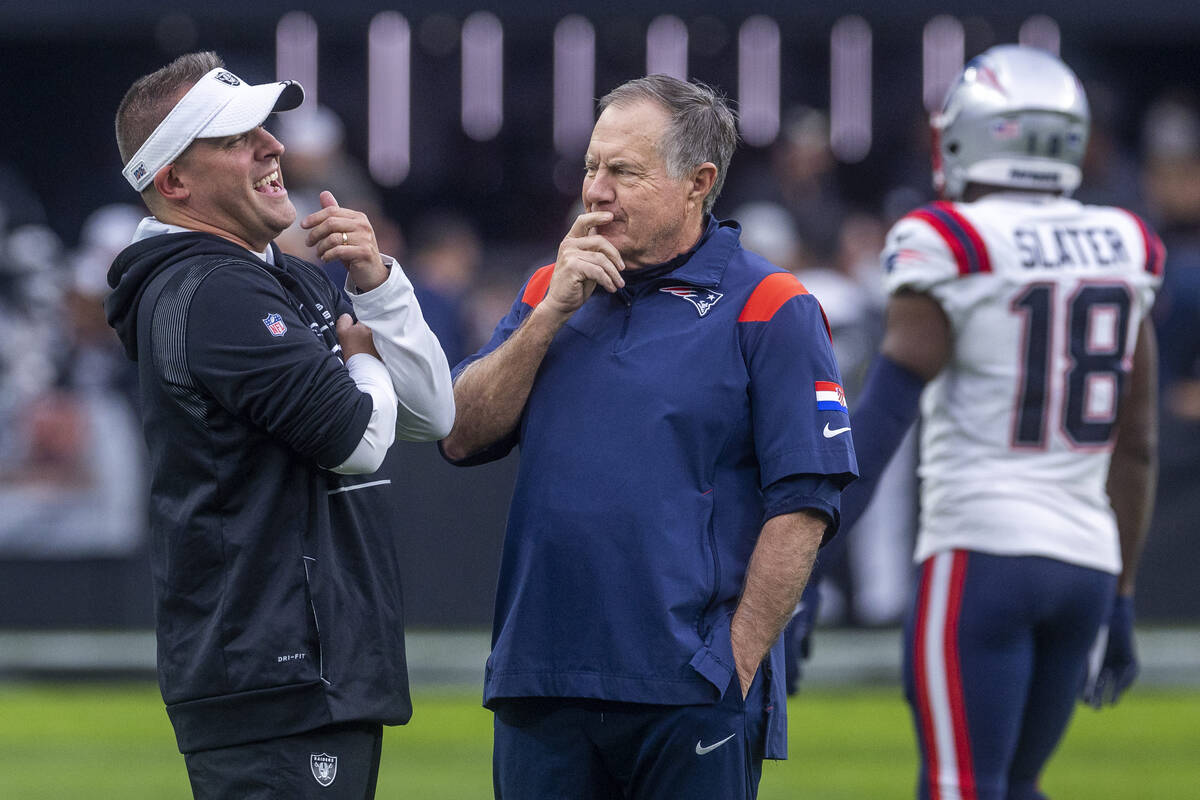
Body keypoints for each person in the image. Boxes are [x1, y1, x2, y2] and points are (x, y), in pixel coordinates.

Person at [440, 74, 857, 799]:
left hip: (689, 689)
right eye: (591, 168)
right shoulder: (549, 288)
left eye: (623, 172)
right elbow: (461, 434)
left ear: (699, 182)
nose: (595, 191)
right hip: (543, 678)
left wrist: (735, 660)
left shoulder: (771, 304)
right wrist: (548, 317)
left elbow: (805, 505)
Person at [104, 52, 455, 798]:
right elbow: (358, 440)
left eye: (265, 128)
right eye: (236, 137)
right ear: (173, 182)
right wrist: (360, 358)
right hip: (272, 669)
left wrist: (381, 284)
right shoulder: (214, 291)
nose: (273, 147)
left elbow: (432, 413)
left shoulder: (274, 275)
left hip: (303, 665)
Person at [832, 45, 1162, 799]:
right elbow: (1136, 444)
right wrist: (1122, 594)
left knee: (961, 787)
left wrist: (802, 565)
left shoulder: (950, 239)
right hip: (1087, 559)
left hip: (980, 554)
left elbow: (880, 423)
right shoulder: (1125, 242)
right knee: (1018, 785)